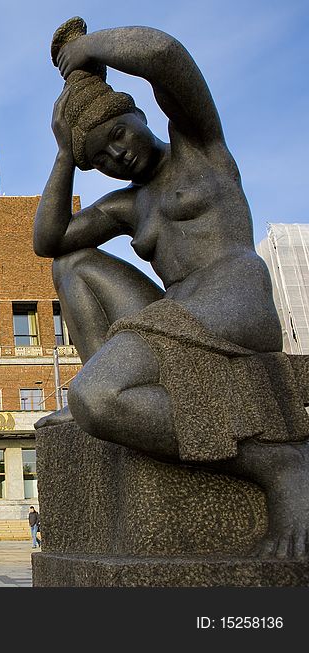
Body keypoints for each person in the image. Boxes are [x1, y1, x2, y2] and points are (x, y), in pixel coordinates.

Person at [33, 17, 309, 558]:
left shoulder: (201, 149)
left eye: (118, 134)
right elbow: (52, 238)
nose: (118, 155)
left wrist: (86, 49)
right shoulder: (130, 204)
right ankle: (97, 396)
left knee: (96, 396)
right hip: (179, 313)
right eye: (101, 158)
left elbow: (161, 53)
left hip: (233, 297)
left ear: (139, 114)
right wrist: (67, 152)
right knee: (72, 265)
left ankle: (277, 465)